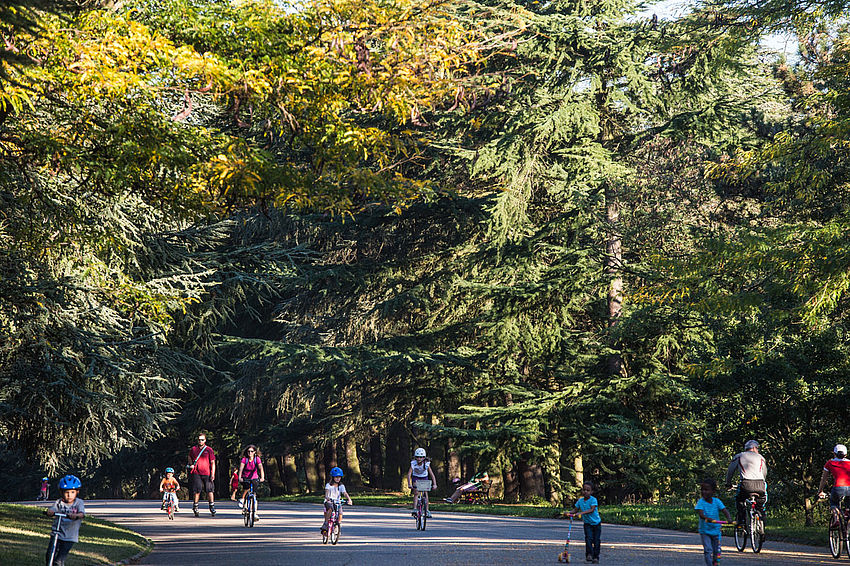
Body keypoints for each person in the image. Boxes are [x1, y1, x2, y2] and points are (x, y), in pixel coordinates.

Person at [45, 474, 85, 566]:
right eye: (66, 492)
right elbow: (53, 509)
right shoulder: (59, 502)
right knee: (49, 555)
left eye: (72, 492)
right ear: (61, 492)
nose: (69, 495)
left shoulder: (79, 503)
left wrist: (76, 515)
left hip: (69, 537)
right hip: (57, 534)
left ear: (77, 492)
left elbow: (82, 514)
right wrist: (50, 511)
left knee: (59, 560)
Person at [725, 439, 767, 524]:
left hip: (746, 484)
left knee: (739, 499)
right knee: (761, 500)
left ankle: (741, 519)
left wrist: (728, 483)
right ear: (755, 448)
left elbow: (730, 471)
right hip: (760, 484)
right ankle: (761, 515)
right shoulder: (761, 457)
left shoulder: (739, 456)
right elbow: (764, 473)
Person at [695, 478, 732, 566]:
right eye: (702, 490)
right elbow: (701, 514)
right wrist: (708, 518)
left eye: (706, 490)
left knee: (717, 550)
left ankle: (716, 562)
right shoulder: (701, 502)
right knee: (708, 550)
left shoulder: (717, 501)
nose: (704, 492)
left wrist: (729, 518)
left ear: (713, 491)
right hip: (705, 531)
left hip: (716, 530)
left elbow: (724, 510)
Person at [566, 481, 602, 564]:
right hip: (587, 524)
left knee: (596, 540)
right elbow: (575, 510)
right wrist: (569, 513)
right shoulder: (580, 501)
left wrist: (581, 513)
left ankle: (596, 557)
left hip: (596, 523)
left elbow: (592, 510)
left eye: (588, 490)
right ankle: (589, 554)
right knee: (588, 539)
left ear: (591, 492)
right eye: (584, 490)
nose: (585, 492)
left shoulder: (593, 500)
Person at [818, 444, 850, 524]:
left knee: (834, 503)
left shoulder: (830, 463)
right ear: (846, 454)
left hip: (837, 488)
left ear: (834, 453)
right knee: (848, 505)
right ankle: (847, 512)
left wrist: (820, 491)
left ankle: (836, 519)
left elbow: (824, 479)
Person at [187, 432, 216, 517]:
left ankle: (212, 506)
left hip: (207, 473)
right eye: (199, 440)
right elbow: (189, 456)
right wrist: (191, 464)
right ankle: (195, 506)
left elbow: (213, 462)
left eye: (202, 440)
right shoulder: (194, 449)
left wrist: (213, 473)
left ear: (205, 440)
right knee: (197, 490)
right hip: (196, 472)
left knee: (209, 490)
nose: (200, 441)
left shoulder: (209, 450)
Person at [407, 447, 438, 518]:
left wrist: (434, 484)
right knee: (416, 492)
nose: (419, 459)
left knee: (425, 493)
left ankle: (427, 510)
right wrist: (409, 484)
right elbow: (409, 474)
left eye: (421, 457)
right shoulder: (413, 463)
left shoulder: (426, 464)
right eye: (417, 457)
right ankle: (415, 509)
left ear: (424, 457)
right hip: (416, 477)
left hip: (424, 477)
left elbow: (432, 474)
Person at [321, 466, 353, 534]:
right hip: (329, 501)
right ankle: (326, 523)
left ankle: (337, 525)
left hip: (337, 502)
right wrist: (327, 498)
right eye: (336, 477)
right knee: (330, 508)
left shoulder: (341, 486)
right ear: (333, 477)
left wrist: (349, 499)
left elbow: (345, 493)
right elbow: (326, 493)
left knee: (340, 513)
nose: (338, 479)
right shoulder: (328, 485)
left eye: (339, 477)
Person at [237, 445, 265, 518]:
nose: (250, 453)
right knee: (247, 488)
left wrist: (262, 477)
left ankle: (254, 513)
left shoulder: (257, 459)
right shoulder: (244, 459)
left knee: (254, 495)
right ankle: (243, 500)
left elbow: (261, 468)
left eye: (252, 451)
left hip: (254, 477)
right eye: (248, 451)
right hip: (245, 477)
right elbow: (241, 469)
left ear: (255, 452)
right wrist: (240, 477)